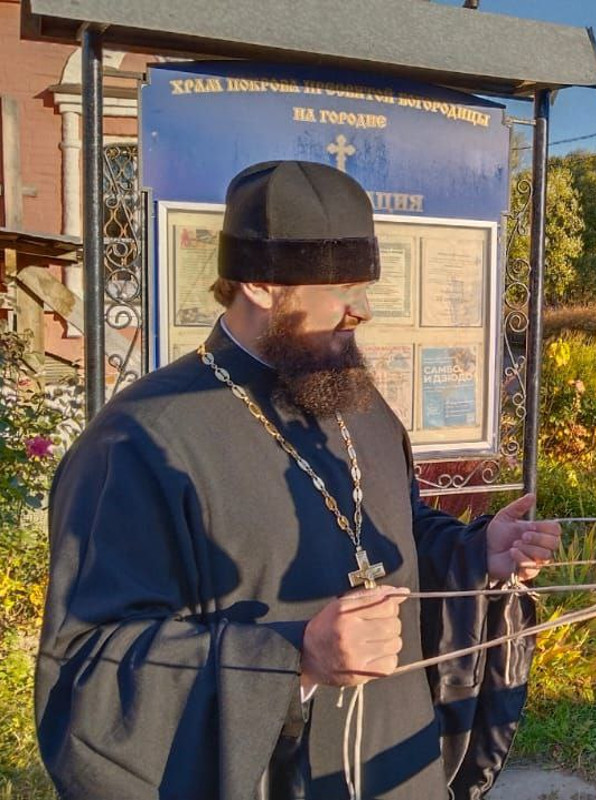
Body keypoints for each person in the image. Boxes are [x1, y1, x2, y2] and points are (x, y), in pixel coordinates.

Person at [35, 160, 562, 799]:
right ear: (260, 283)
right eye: (341, 286)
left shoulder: (357, 404)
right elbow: (91, 665)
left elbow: (384, 538)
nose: (363, 309)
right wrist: (296, 657)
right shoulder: (141, 439)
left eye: (365, 283)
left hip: (401, 769)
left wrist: (475, 553)